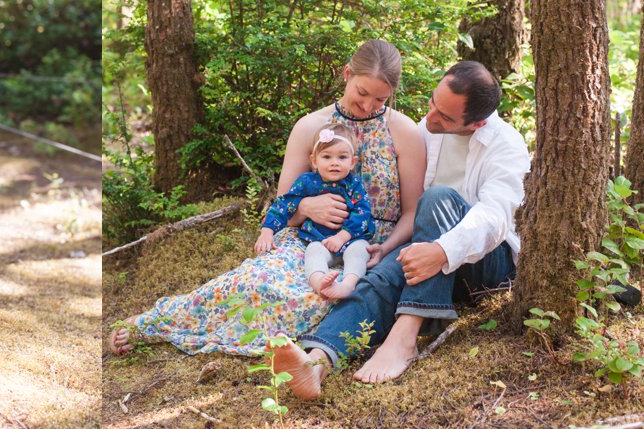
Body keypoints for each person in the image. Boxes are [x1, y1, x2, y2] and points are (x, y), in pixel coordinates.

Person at [108, 39, 426, 357]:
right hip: (307, 241)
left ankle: (300, 345)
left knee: (321, 298)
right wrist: (305, 206)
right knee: (256, 281)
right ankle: (158, 322)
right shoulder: (310, 127)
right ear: (346, 74)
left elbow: (413, 212)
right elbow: (284, 204)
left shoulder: (404, 132)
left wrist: (384, 248)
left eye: (380, 98)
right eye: (362, 93)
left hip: (369, 248)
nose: (369, 105)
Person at [273, 60, 529, 399]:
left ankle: (404, 337)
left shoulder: (507, 146)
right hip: (427, 245)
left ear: (477, 122)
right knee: (380, 276)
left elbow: (495, 219)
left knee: (437, 199)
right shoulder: (428, 128)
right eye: (432, 104)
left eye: (445, 117)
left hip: (486, 263)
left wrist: (440, 251)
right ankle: (316, 362)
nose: (431, 118)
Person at [257, 124, 375, 300]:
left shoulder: (354, 185)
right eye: (327, 157)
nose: (334, 162)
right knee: (313, 252)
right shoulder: (306, 182)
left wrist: (343, 236)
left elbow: (362, 213)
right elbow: (284, 205)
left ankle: (348, 284)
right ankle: (320, 282)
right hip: (319, 240)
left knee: (360, 250)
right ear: (314, 161)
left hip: (351, 239)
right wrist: (267, 230)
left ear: (352, 162)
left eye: (342, 157)